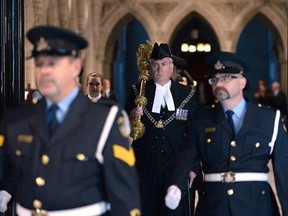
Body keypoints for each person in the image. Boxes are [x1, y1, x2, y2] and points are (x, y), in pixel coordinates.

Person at [0, 25, 141, 216]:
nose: (45, 71)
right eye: (40, 64)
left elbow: (124, 199)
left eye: (54, 63)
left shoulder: (105, 120)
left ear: (76, 66)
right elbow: (14, 172)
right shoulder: (17, 119)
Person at [165, 51, 288, 216]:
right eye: (214, 79)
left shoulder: (269, 119)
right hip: (213, 206)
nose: (218, 84)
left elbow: (284, 171)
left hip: (256, 207)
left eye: (226, 78)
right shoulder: (202, 119)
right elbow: (186, 156)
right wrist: (175, 185)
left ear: (242, 82)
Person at [125, 43, 199, 216]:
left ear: (171, 66)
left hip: (176, 165)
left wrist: (193, 166)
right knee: (146, 208)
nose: (159, 69)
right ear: (149, 67)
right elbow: (123, 126)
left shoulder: (186, 94)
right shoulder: (138, 91)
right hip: (145, 164)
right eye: (155, 65)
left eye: (164, 64)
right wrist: (131, 117)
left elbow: (194, 133)